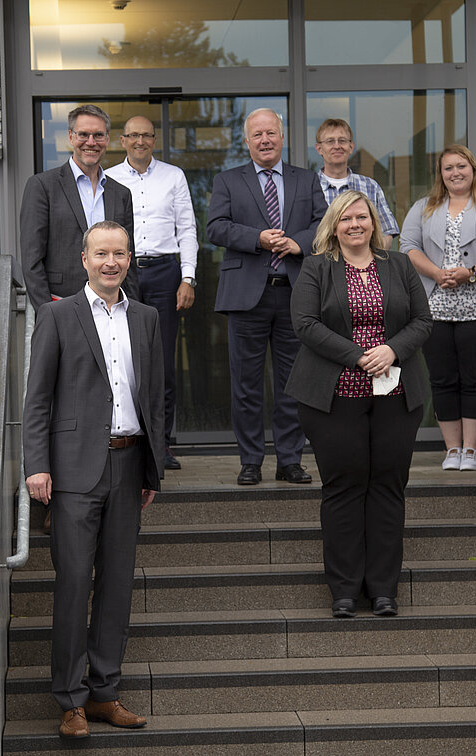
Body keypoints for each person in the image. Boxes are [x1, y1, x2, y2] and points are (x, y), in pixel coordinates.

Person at [21, 221, 164, 739]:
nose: (111, 262)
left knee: (117, 586)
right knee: (75, 583)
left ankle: (105, 693)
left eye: (120, 254)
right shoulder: (57, 315)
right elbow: (37, 400)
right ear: (84, 259)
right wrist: (36, 465)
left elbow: (154, 396)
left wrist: (151, 465)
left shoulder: (145, 318)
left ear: (129, 260)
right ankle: (70, 700)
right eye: (101, 253)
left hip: (128, 467)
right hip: (74, 471)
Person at [287, 190, 432, 618]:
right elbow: (305, 324)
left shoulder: (399, 265)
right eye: (346, 218)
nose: (355, 224)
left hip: (396, 395)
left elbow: (422, 321)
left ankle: (384, 589)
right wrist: (358, 355)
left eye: (362, 217)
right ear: (334, 224)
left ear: (374, 223)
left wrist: (391, 350)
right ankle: (345, 591)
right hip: (332, 398)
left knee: (388, 486)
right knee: (344, 487)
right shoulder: (316, 267)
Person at [206, 108, 327, 486]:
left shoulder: (307, 179)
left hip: (295, 294)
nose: (265, 140)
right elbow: (215, 227)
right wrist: (256, 238)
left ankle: (290, 460)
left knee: (294, 383)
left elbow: (324, 223)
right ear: (247, 141)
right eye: (257, 135)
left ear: (282, 136)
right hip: (246, 297)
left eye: (271, 133)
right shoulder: (228, 180)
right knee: (246, 385)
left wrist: (299, 243)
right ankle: (250, 461)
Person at [401, 145, 476, 471]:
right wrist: (436, 273)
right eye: (448, 168)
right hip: (433, 307)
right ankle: (452, 450)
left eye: (461, 166)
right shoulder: (424, 208)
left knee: (474, 378)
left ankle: (471, 450)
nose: (455, 173)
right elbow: (408, 246)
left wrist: (472, 273)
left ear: (473, 169)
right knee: (442, 378)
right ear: (440, 174)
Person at [105, 116, 198, 471]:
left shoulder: (173, 176)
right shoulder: (110, 177)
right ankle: (125, 437)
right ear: (123, 140)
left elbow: (187, 228)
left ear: (154, 140)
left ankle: (161, 445)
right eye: (133, 135)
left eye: (146, 135)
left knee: (161, 362)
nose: (140, 141)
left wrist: (187, 278)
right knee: (121, 356)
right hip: (122, 274)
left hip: (164, 274)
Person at [19, 104, 136, 312]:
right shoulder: (42, 186)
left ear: (107, 139)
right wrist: (47, 313)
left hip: (111, 308)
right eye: (83, 134)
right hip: (61, 304)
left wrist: (131, 311)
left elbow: (129, 259)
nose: (91, 142)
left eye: (98, 135)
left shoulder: (121, 194)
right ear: (71, 137)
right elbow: (31, 261)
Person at [313, 118, 399, 240]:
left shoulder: (370, 186)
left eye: (342, 141)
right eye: (330, 141)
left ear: (351, 147)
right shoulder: (309, 187)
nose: (337, 146)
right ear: (319, 148)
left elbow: (388, 231)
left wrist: (370, 257)